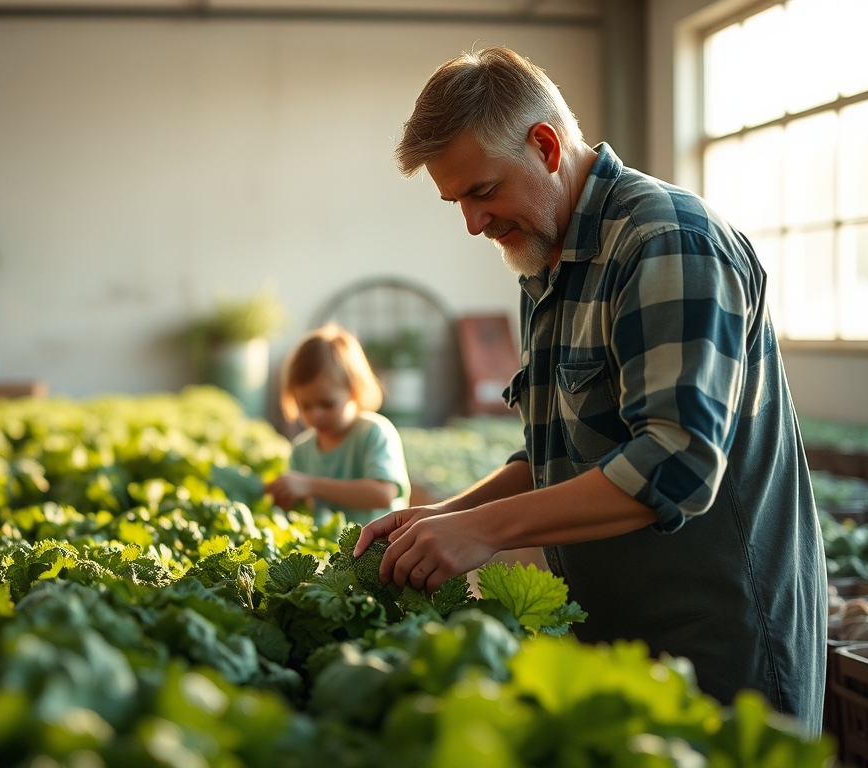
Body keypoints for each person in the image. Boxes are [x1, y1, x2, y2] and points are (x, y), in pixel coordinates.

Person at [353, 46, 826, 732]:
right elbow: (554, 454)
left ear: (545, 145)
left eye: (482, 191)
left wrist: (481, 532)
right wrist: (441, 516)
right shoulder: (545, 264)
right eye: (456, 202)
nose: (472, 224)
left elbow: (677, 462)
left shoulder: (666, 241)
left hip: (719, 650)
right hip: (623, 639)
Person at [266, 324, 411, 526]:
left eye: (327, 404)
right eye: (305, 405)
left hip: (381, 550)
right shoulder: (301, 450)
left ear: (354, 390)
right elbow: (301, 510)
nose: (316, 415)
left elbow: (384, 494)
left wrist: (311, 485)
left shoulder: (373, 432)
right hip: (329, 554)